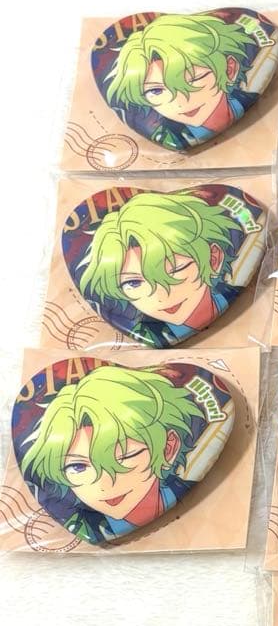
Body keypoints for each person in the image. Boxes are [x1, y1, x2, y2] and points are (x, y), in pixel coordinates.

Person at [20, 366, 204, 542]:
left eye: (124, 457)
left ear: (168, 448)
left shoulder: (192, 493)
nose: (105, 484)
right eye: (78, 466)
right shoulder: (81, 524)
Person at [78, 191, 240, 345]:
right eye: (133, 282)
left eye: (175, 270)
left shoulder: (233, 296)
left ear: (213, 259)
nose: (161, 297)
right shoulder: (146, 333)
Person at [105, 13, 258, 149]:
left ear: (229, 69)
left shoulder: (247, 99)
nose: (180, 101)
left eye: (193, 79)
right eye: (156, 90)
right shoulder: (168, 137)